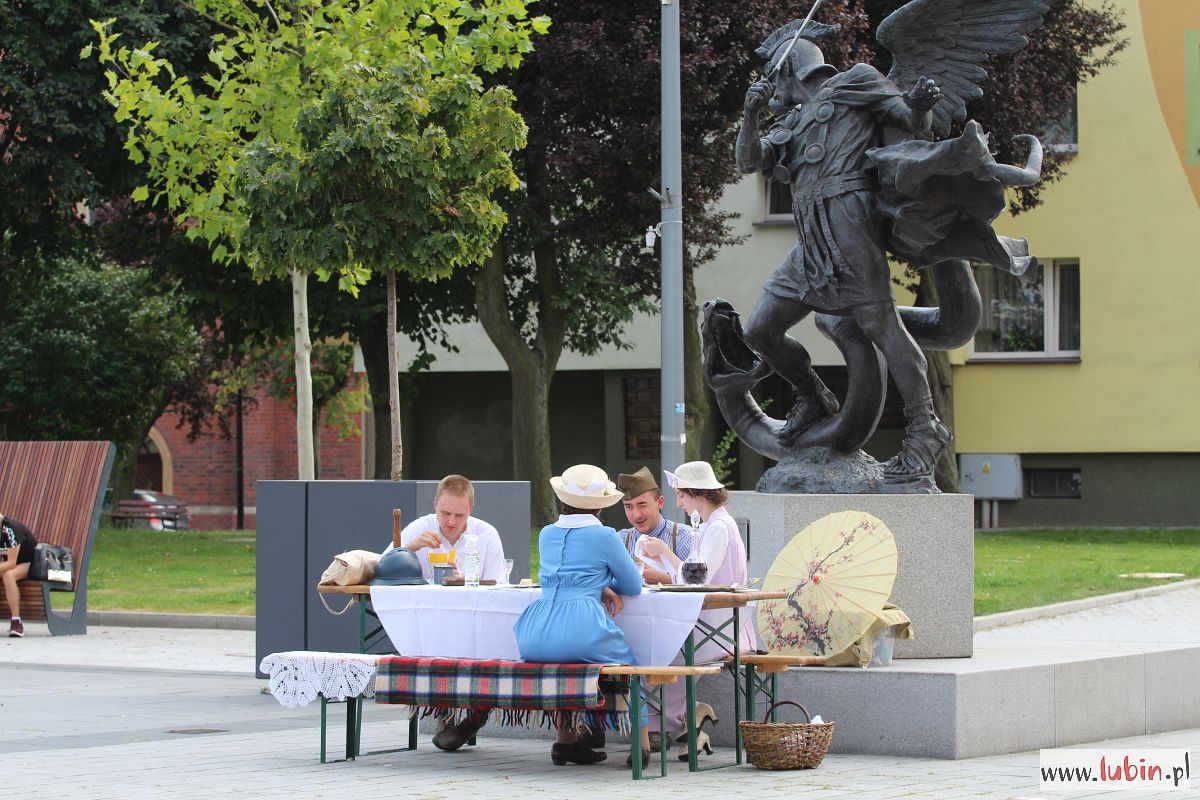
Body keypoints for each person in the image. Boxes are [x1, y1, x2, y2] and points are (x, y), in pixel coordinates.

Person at [734, 19, 951, 478]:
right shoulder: (791, 123)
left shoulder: (857, 82)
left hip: (850, 222)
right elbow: (748, 160)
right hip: (810, 235)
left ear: (789, 68)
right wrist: (750, 117)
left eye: (773, 76)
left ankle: (925, 428)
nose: (771, 89)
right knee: (761, 329)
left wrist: (921, 106)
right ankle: (812, 395)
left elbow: (911, 122)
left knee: (882, 326)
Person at [513, 464, 651, 767]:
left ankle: (565, 741)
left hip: (535, 631)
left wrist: (598, 585)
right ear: (600, 506)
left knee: (566, 668)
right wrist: (604, 585)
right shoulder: (605, 535)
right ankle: (641, 745)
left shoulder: (547, 533)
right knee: (631, 667)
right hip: (580, 626)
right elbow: (632, 584)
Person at [387, 474, 506, 751]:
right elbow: (384, 566)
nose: (451, 522)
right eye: (445, 513)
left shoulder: (486, 534)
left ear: (471, 510)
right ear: (435, 505)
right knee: (437, 642)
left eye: (459, 515)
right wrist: (410, 548)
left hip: (475, 618)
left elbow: (499, 586)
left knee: (493, 647)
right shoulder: (420, 528)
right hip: (431, 620)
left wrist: (467, 581)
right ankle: (447, 717)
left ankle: (473, 717)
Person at [658, 460, 758, 761]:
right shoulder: (713, 525)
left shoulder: (718, 527)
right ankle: (686, 720)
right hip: (718, 623)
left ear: (697, 493)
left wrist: (664, 553)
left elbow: (696, 578)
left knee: (661, 656)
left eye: (681, 496)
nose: (679, 503)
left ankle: (680, 721)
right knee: (662, 652)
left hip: (721, 628)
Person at [615, 467, 693, 585]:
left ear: (660, 502)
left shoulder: (684, 536)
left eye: (642, 505)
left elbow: (699, 584)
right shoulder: (619, 540)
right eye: (629, 507)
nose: (636, 515)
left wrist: (665, 579)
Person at [0, 513, 37, 638]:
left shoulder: (10, 529)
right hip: (8, 563)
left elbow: (11, 563)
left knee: (8, 575)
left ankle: (16, 622)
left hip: (30, 562)